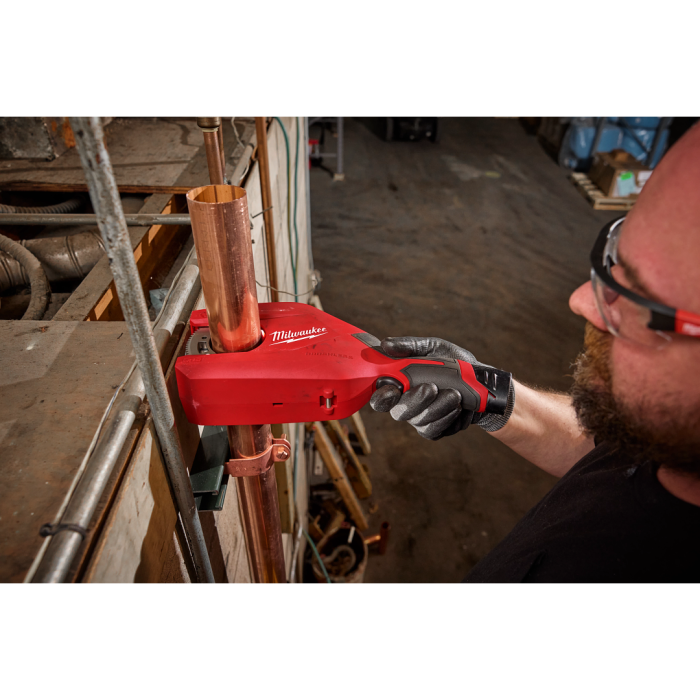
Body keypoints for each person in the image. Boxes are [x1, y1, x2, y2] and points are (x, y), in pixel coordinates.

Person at [369, 123, 700, 582]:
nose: (581, 301)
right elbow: (609, 452)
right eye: (615, 259)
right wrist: (489, 394)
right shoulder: (674, 444)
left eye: (641, 301)